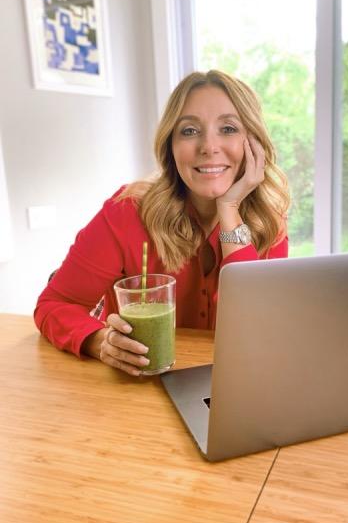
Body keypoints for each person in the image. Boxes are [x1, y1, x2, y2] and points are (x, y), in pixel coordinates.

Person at [34, 69, 290, 377]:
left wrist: (229, 208)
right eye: (189, 131)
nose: (208, 146)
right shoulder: (126, 213)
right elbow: (54, 304)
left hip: (231, 387)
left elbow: (256, 331)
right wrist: (100, 342)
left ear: (254, 144)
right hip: (139, 386)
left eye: (228, 128)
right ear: (170, 145)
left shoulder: (268, 223)